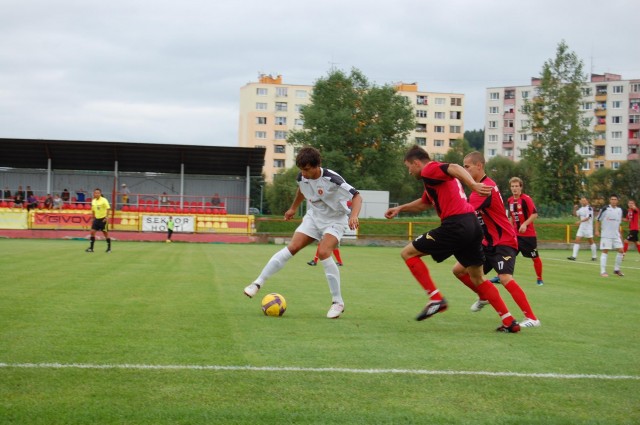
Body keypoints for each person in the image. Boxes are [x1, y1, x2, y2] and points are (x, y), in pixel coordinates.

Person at [384, 145, 520, 333]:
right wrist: (400, 208)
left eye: (409, 166)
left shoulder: (430, 169)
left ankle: (435, 298)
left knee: (408, 253)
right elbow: (424, 203)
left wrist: (472, 185)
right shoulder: (433, 179)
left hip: (456, 225)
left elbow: (455, 167)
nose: (409, 171)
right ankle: (509, 321)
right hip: (472, 225)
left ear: (417, 163)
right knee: (477, 277)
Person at [243, 146, 362, 319]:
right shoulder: (302, 177)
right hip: (313, 217)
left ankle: (338, 302)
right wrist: (293, 208)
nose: (303, 173)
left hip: (335, 220)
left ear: (317, 165)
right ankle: (257, 283)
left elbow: (357, 196)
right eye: (301, 170)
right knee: (293, 247)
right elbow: (302, 190)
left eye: (307, 169)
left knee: (323, 252)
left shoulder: (332, 179)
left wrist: (354, 216)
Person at [454, 152, 540, 328]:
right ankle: (484, 295)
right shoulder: (481, 186)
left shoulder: (484, 188)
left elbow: (464, 212)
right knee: (459, 270)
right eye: (463, 166)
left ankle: (532, 318)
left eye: (467, 166)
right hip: (487, 243)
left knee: (505, 277)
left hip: (503, 241)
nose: (464, 170)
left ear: (479, 166)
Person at [506, 177, 544, 286]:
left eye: (517, 186)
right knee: (507, 255)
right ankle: (502, 276)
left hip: (528, 236)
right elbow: (511, 218)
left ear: (521, 187)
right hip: (515, 235)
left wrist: (524, 224)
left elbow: (534, 214)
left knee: (534, 257)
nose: (514, 188)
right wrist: (509, 229)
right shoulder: (509, 200)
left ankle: (539, 278)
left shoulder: (526, 199)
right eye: (512, 186)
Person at [596, 194, 624, 277]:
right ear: (610, 200)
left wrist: (620, 234)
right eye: (612, 199)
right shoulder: (605, 209)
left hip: (616, 235)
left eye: (615, 199)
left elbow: (618, 223)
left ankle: (616, 269)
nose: (614, 201)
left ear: (617, 201)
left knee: (621, 251)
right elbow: (597, 220)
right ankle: (603, 271)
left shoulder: (619, 210)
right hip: (606, 235)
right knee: (605, 251)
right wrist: (597, 230)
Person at [567, 196, 597, 261]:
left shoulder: (589, 208)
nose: (582, 202)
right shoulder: (581, 209)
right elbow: (575, 214)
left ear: (587, 201)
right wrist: (575, 208)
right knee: (577, 240)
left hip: (588, 228)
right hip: (582, 227)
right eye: (581, 200)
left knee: (591, 241)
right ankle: (574, 256)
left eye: (584, 200)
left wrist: (580, 221)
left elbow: (588, 217)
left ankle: (594, 256)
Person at [85, 188, 112, 253]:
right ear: (94, 193)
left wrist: (106, 217)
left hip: (103, 219)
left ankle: (109, 248)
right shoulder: (93, 201)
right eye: (95, 193)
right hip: (96, 219)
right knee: (92, 232)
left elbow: (108, 208)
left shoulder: (104, 200)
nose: (96, 194)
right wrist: (93, 218)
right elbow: (93, 210)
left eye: (98, 193)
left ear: (100, 193)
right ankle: (91, 248)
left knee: (105, 233)